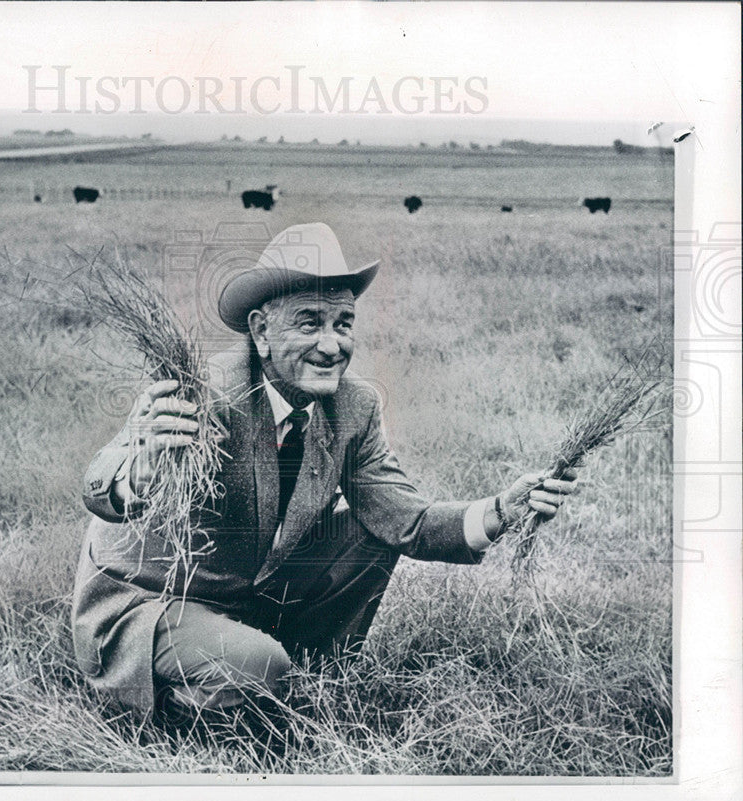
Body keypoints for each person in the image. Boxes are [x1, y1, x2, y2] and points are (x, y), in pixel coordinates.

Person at [71, 222, 577, 718]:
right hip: (148, 604)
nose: (333, 345)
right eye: (310, 323)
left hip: (248, 598)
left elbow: (405, 518)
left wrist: (499, 511)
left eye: (343, 323)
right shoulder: (203, 391)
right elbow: (102, 480)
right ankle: (168, 699)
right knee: (258, 666)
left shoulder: (353, 407)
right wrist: (139, 469)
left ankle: (310, 677)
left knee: (369, 528)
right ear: (261, 331)